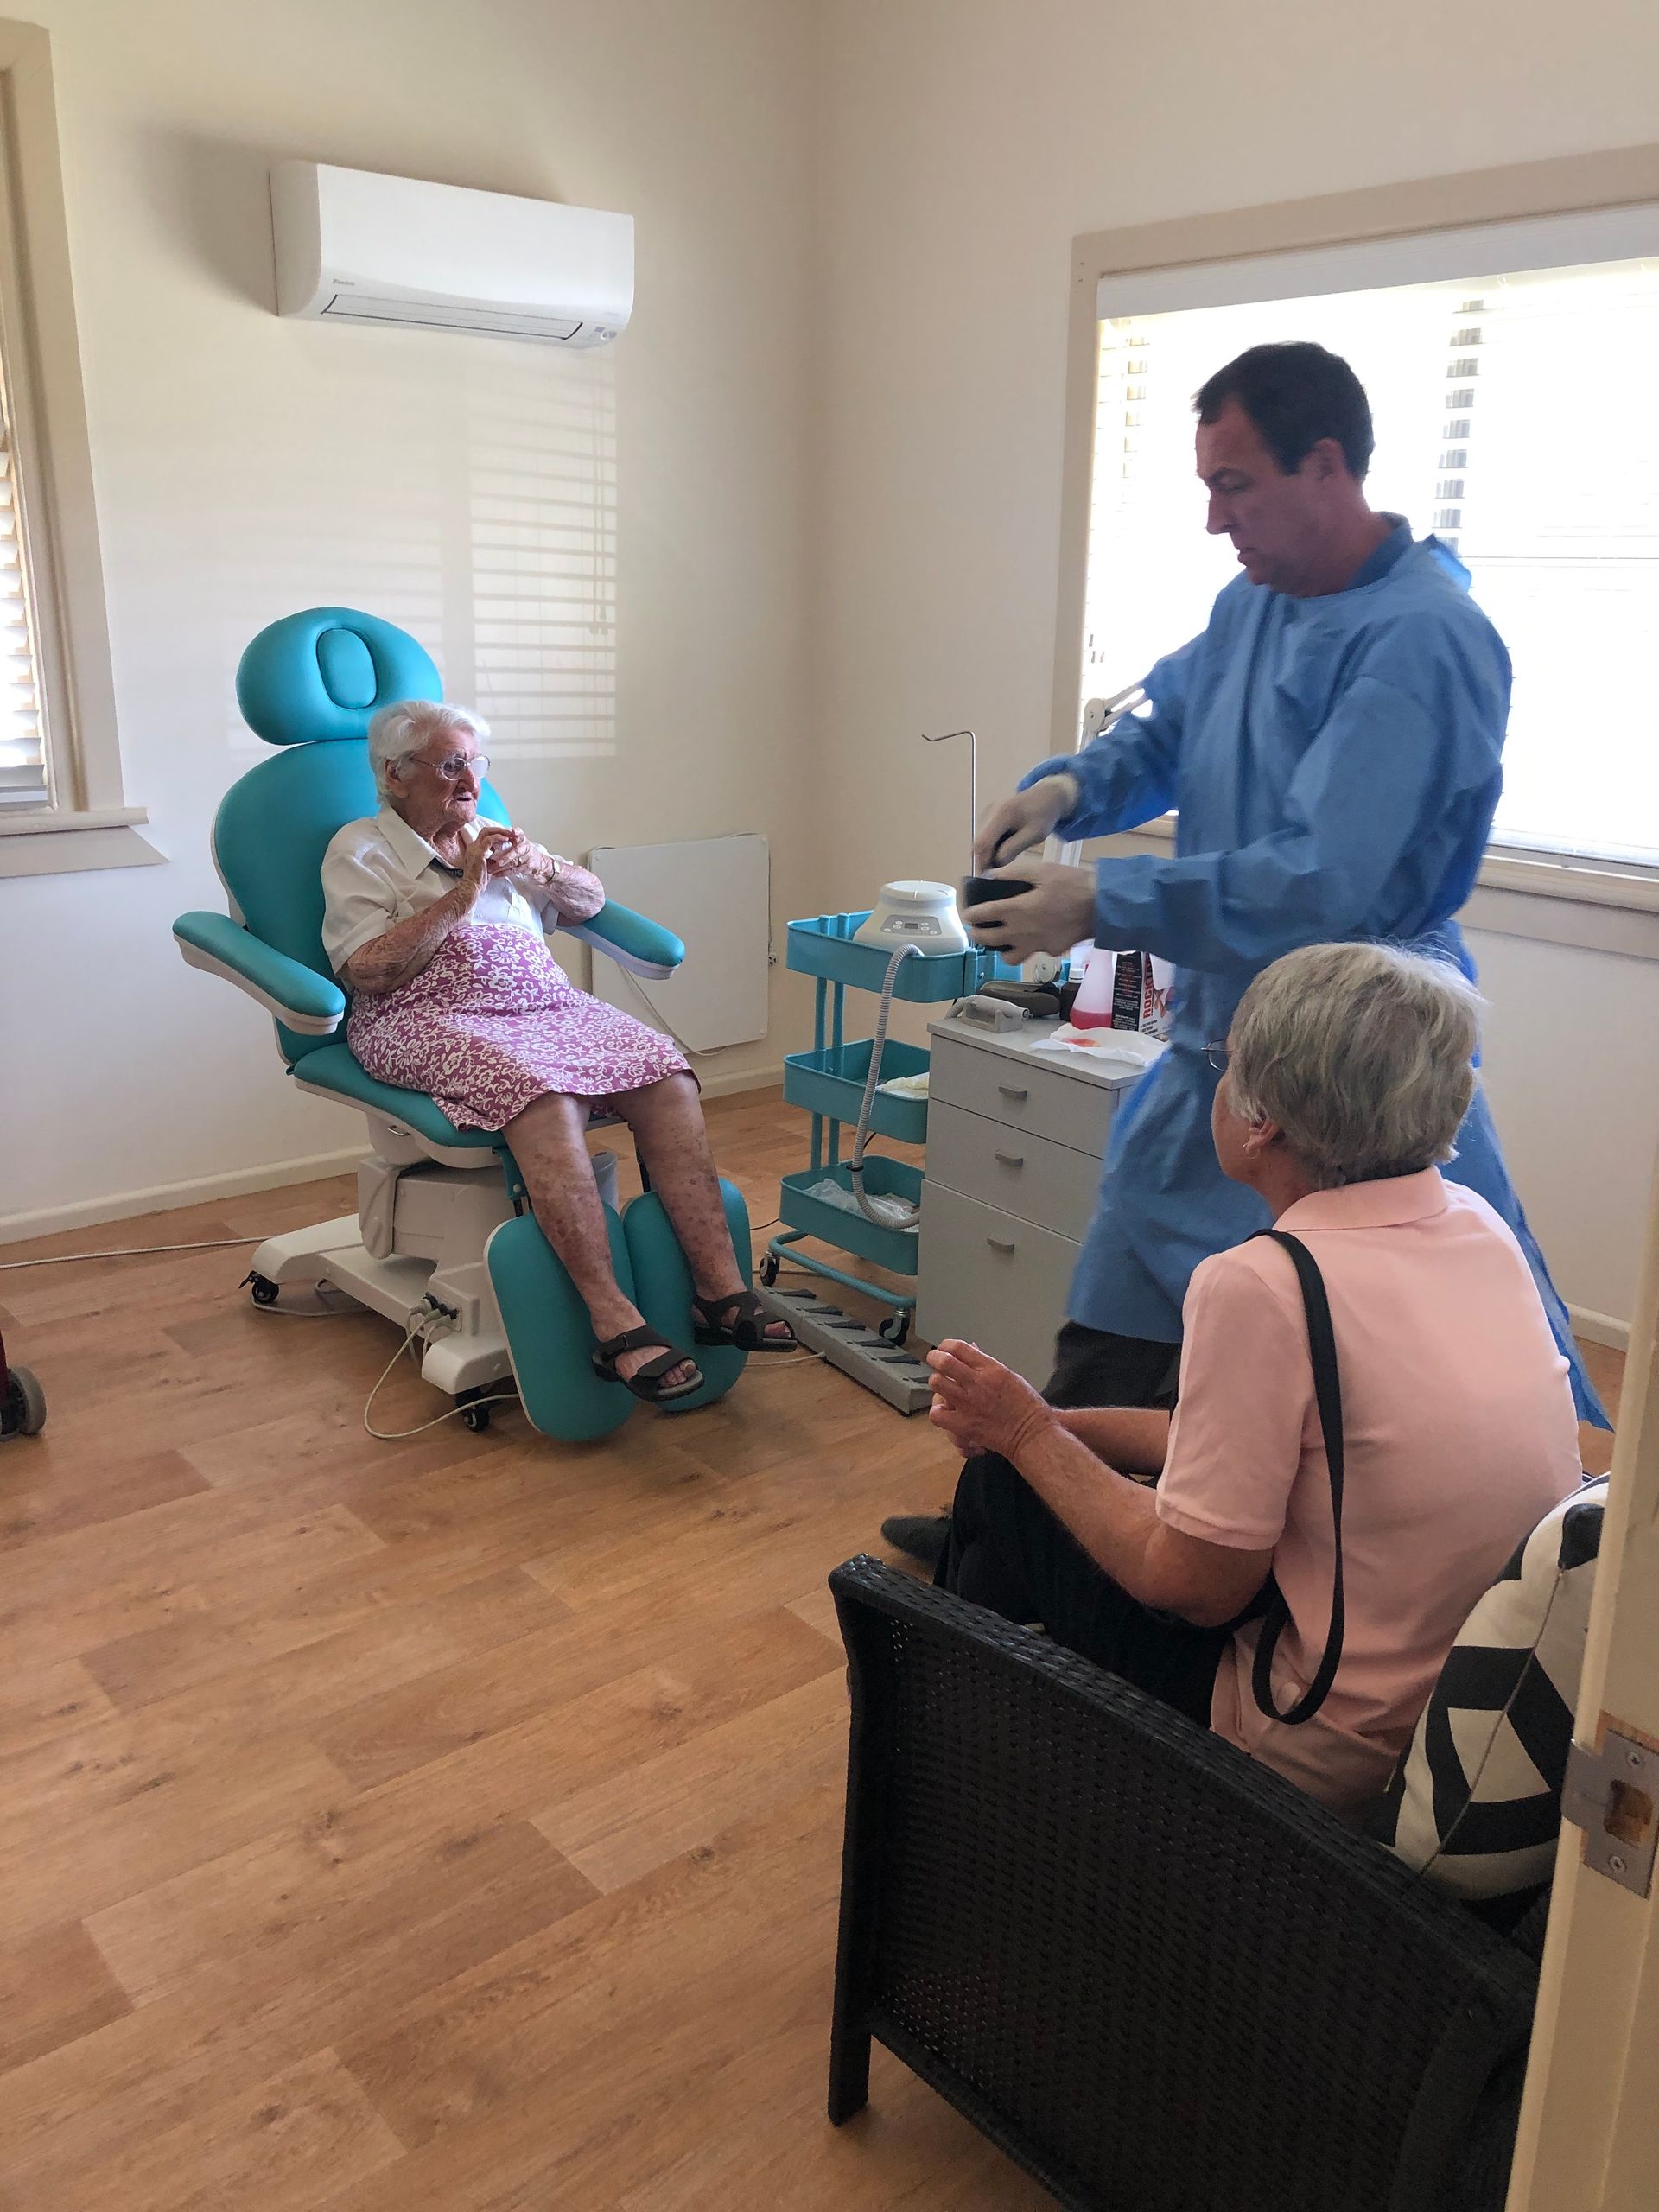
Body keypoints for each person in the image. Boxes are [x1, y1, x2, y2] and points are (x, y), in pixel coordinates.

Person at [884, 339, 1603, 1566]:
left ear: (1326, 464)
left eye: (1236, 486)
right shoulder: (1254, 603)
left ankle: (1313, 1604)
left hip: (1351, 1076)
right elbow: (1165, 728)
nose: (1215, 520)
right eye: (1207, 488)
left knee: (1346, 1372)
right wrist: (1066, 789)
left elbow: (1327, 883)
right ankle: (1009, 1552)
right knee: (1115, 1324)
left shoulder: (1425, 642)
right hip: (1219, 1055)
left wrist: (1099, 906)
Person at [925, 943, 1583, 1814]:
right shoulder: (1476, 1227)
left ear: (1262, 1118)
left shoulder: (1264, 1284)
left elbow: (1191, 1586)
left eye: (1225, 1066)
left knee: (1000, 1484)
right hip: (1445, 1700)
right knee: (1035, 1461)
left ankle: (956, 1754)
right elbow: (1257, 1455)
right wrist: (1048, 1417)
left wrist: (1021, 1434)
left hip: (1314, 1741)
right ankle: (1007, 1733)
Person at [321, 697, 794, 1403]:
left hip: (547, 1008)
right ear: (394, 775)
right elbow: (368, 970)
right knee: (542, 1093)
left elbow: (590, 899)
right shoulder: (360, 850)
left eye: (475, 763)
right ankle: (612, 1318)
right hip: (424, 1015)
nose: (469, 781)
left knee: (666, 1072)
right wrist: (466, 891)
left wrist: (539, 867)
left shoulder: (494, 835)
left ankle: (718, 1293)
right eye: (449, 765)